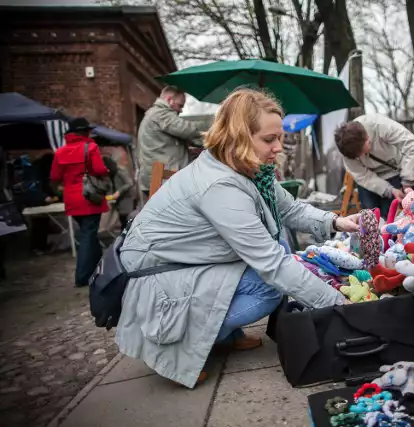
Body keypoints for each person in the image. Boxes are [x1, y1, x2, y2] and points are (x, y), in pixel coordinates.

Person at [116, 89, 359, 389]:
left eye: (279, 138)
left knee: (279, 248)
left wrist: (336, 221)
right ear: (239, 136)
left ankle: (225, 333)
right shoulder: (221, 186)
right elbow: (272, 265)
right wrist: (340, 307)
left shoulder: (245, 169)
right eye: (269, 140)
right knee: (269, 288)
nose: (278, 148)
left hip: (182, 263)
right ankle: (182, 345)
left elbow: (290, 208)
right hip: (158, 279)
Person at [50, 117, 109, 287]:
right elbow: (99, 170)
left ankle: (100, 268)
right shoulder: (90, 148)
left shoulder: (60, 152)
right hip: (90, 197)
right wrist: (105, 171)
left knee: (88, 234)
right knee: (88, 235)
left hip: (72, 199)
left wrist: (62, 189)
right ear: (85, 131)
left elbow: (54, 177)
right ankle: (82, 277)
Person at [334, 114, 414, 219]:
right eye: (360, 155)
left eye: (366, 149)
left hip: (397, 170)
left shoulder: (380, 126)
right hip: (370, 180)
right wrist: (390, 190)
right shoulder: (347, 151)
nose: (364, 155)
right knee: (369, 216)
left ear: (367, 137)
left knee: (393, 215)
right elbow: (363, 177)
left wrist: (408, 182)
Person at [137, 85, 209, 202]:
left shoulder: (154, 114)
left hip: (157, 178)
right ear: (169, 100)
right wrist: (214, 130)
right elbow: (187, 129)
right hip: (162, 179)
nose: (181, 110)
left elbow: (173, 140)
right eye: (180, 105)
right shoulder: (161, 113)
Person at [102, 156, 134, 230]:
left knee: (126, 219)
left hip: (126, 198)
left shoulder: (120, 171)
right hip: (116, 199)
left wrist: (119, 191)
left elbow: (130, 183)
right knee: (122, 219)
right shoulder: (109, 174)